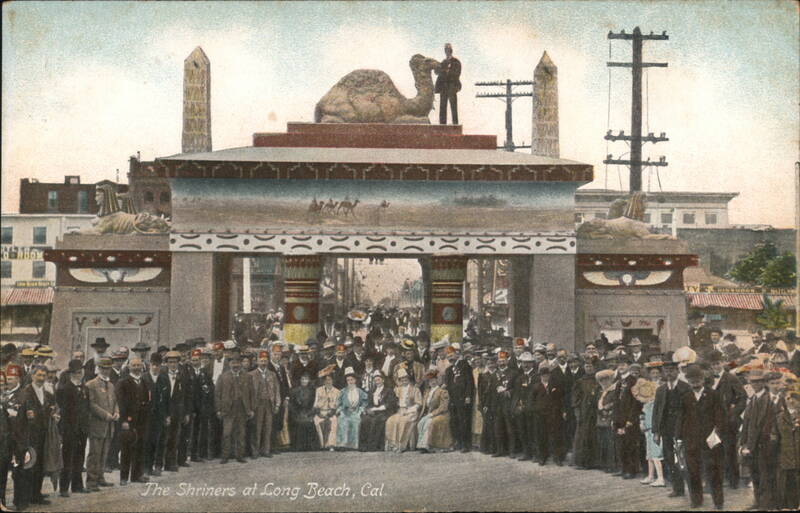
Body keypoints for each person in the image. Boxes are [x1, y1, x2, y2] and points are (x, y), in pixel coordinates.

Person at [675, 364, 725, 509]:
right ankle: (696, 500)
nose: (695, 382)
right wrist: (678, 438)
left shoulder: (713, 395)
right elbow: (680, 418)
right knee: (693, 472)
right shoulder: (685, 396)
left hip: (710, 441)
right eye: (691, 379)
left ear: (703, 379)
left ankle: (718, 502)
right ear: (688, 381)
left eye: (697, 379)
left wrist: (717, 434)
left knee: (714, 472)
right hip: (690, 441)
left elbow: (721, 417)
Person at [707, 349, 746, 489]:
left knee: (729, 450)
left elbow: (743, 398)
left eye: (717, 363)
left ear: (723, 363)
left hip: (728, 421)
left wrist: (733, 414)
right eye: (713, 365)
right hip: (712, 421)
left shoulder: (731, 378)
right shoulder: (708, 379)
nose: (715, 367)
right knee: (714, 450)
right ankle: (718, 479)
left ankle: (733, 481)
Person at [740, 368, 777, 510]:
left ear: (764, 382)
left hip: (763, 444)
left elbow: (767, 425)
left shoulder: (768, 399)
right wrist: (743, 443)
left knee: (765, 475)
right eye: (752, 382)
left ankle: (765, 503)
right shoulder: (753, 399)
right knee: (754, 474)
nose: (755, 384)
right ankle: (757, 501)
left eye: (758, 381)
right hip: (751, 444)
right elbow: (746, 423)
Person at [652, 360, 690, 497]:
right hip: (666, 429)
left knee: (684, 459)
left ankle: (692, 488)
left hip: (683, 429)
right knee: (670, 458)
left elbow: (690, 411)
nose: (669, 373)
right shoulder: (660, 390)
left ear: (677, 371)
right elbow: (656, 411)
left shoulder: (685, 387)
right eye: (666, 371)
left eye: (672, 370)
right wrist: (656, 432)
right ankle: (677, 488)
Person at [56, 359, 89, 497]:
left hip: (82, 428)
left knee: (79, 458)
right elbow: (63, 411)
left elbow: (86, 408)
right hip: (70, 429)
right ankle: (64, 488)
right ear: (71, 373)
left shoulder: (85, 388)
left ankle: (77, 485)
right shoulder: (65, 389)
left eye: (81, 371)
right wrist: (63, 430)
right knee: (67, 458)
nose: (79, 374)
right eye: (76, 372)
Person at [115, 357, 150, 486]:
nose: (136, 367)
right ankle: (123, 477)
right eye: (134, 365)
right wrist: (124, 420)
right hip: (128, 421)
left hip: (141, 421)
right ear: (129, 367)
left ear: (142, 367)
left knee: (140, 447)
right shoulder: (123, 382)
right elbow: (120, 402)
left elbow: (147, 400)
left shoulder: (144, 382)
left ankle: (137, 475)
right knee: (126, 449)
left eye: (138, 365)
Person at [85, 357, 118, 492]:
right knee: (95, 453)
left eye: (108, 368)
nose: (106, 371)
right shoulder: (91, 384)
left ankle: (100, 477)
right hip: (97, 424)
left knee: (104, 453)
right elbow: (91, 404)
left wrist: (116, 412)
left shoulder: (111, 385)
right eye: (103, 368)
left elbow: (115, 401)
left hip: (109, 425)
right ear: (98, 368)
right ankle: (91, 481)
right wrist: (105, 415)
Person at [215, 353, 254, 464]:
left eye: (237, 363)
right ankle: (225, 456)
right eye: (233, 363)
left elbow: (252, 394)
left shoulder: (247, 376)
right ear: (229, 364)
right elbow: (217, 394)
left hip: (242, 409)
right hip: (228, 410)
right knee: (227, 433)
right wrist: (218, 409)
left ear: (241, 364)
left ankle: (240, 455)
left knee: (241, 433)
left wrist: (251, 409)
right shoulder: (223, 377)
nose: (235, 365)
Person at [155, 351, 188, 472]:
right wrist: (164, 415)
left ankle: (170, 463)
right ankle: (158, 464)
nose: (173, 365)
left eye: (175, 362)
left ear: (178, 363)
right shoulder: (161, 376)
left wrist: (186, 413)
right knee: (162, 438)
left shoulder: (183, 375)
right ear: (166, 363)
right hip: (165, 411)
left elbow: (187, 395)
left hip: (178, 412)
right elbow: (159, 397)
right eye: (170, 362)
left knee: (174, 438)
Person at [633, 377, 665, 487]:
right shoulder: (646, 405)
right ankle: (651, 476)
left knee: (656, 455)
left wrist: (645, 424)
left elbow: (652, 419)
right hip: (648, 431)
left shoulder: (652, 405)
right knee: (650, 455)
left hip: (653, 431)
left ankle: (661, 477)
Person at [249, 351, 280, 458]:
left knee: (268, 428)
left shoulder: (272, 374)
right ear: (257, 361)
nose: (263, 363)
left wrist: (277, 404)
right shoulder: (251, 375)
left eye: (265, 361)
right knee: (257, 429)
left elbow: (277, 390)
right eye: (261, 361)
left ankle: (266, 450)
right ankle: (255, 451)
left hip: (269, 403)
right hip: (257, 404)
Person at [532, 365, 565, 466]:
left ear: (549, 375)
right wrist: (536, 410)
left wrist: (561, 410)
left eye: (547, 375)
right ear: (540, 376)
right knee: (541, 436)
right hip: (540, 415)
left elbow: (560, 399)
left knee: (555, 436)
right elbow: (532, 400)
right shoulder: (536, 386)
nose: (545, 377)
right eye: (543, 375)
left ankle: (557, 457)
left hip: (553, 414)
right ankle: (542, 457)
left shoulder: (555, 385)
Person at [385, 368, 422, 453]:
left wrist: (408, 410)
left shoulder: (415, 389)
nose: (404, 380)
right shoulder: (397, 389)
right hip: (400, 411)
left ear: (408, 379)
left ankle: (401, 445)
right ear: (399, 380)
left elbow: (418, 403)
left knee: (403, 421)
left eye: (405, 378)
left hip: (411, 412)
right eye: (402, 379)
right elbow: (395, 401)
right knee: (391, 420)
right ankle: (392, 444)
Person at [444, 345, 474, 453]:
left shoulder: (465, 366)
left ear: (457, 355)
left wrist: (468, 396)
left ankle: (466, 444)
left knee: (464, 421)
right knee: (454, 421)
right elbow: (447, 385)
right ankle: (458, 442)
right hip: (453, 399)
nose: (450, 358)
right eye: (448, 356)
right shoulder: (448, 370)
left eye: (452, 355)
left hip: (463, 398)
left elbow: (469, 382)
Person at [572, 358, 600, 469]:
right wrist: (577, 412)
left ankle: (596, 462)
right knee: (583, 436)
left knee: (595, 435)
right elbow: (575, 399)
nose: (589, 368)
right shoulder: (580, 381)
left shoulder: (598, 380)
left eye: (591, 366)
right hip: (584, 413)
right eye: (587, 366)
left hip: (596, 412)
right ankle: (583, 462)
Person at [359, 371, 397, 451]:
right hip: (374, 411)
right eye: (375, 380)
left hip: (385, 411)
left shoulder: (388, 390)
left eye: (378, 380)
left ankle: (374, 446)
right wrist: (368, 410)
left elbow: (390, 404)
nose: (377, 382)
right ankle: (364, 445)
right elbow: (369, 404)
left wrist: (377, 409)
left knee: (376, 420)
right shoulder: (372, 391)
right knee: (365, 420)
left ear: (383, 380)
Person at [416, 369, 453, 453]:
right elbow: (425, 406)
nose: (432, 382)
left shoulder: (443, 391)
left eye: (434, 380)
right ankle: (422, 445)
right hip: (430, 414)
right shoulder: (427, 392)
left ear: (437, 381)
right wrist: (423, 414)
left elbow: (443, 407)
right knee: (421, 422)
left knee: (430, 423)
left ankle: (428, 445)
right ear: (428, 382)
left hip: (442, 415)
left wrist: (431, 414)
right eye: (430, 381)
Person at [775, 387, 800, 510]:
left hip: (798, 454)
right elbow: (775, 435)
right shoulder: (779, 417)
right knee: (786, 482)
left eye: (794, 398)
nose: (791, 401)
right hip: (785, 454)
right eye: (788, 398)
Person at [511, 351, 538, 462]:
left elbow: (536, 394)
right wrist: (516, 406)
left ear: (532, 363)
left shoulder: (536, 376)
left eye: (528, 363)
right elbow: (517, 394)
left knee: (534, 432)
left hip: (533, 408)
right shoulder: (519, 378)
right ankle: (526, 453)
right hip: (522, 409)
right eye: (523, 363)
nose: (525, 365)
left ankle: (536, 454)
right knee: (523, 431)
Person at [491, 351, 518, 458]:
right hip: (497, 405)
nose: (501, 362)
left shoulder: (513, 373)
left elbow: (516, 389)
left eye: (503, 360)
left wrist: (508, 392)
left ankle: (511, 451)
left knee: (510, 428)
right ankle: (500, 450)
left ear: (507, 360)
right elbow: (492, 391)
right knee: (498, 428)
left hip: (508, 404)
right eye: (499, 360)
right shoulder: (494, 375)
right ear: (497, 362)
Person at [189, 348, 214, 463]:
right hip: (191, 408)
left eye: (197, 359)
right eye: (193, 360)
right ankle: (191, 454)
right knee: (191, 432)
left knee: (202, 430)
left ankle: (200, 453)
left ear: (200, 360)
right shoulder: (187, 372)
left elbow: (209, 388)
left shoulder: (205, 372)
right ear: (190, 361)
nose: (195, 362)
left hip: (203, 407)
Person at [142, 353, 163, 476]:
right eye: (153, 365)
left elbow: (166, 398)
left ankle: (158, 465)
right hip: (147, 415)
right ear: (150, 365)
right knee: (147, 441)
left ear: (161, 366)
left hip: (159, 415)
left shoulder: (163, 378)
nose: (155, 368)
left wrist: (166, 415)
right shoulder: (144, 378)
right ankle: (146, 467)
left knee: (158, 440)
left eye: (158, 365)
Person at [336, 368, 367, 450]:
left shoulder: (360, 391)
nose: (350, 381)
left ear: (355, 380)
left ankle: (354, 445)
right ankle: (343, 444)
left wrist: (361, 409)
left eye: (352, 379)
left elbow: (364, 402)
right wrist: (342, 409)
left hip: (356, 412)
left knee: (356, 421)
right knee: (343, 420)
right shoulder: (343, 391)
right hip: (345, 412)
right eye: (348, 380)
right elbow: (338, 403)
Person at [288, 373, 319, 452]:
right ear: (300, 380)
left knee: (308, 422)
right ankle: (299, 446)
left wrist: (310, 413)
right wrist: (297, 414)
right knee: (300, 422)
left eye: (306, 379)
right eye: (302, 379)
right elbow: (291, 405)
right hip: (298, 413)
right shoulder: (294, 391)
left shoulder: (313, 391)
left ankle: (310, 446)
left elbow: (315, 404)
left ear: (308, 381)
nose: (304, 381)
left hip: (309, 413)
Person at [434, 42, 460, 126]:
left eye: (448, 50)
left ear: (451, 51)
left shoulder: (456, 62)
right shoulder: (443, 62)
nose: (447, 51)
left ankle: (455, 125)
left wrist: (446, 72)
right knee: (442, 107)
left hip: (452, 87)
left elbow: (457, 73)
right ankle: (442, 126)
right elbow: (437, 72)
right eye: (446, 50)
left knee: (453, 107)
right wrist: (440, 69)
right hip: (444, 88)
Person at [313, 368, 340, 451]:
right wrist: (318, 412)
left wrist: (330, 413)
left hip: (331, 412)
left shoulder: (337, 391)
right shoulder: (319, 390)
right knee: (317, 421)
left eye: (329, 379)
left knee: (334, 422)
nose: (328, 381)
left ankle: (331, 445)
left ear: (333, 381)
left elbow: (337, 405)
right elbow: (315, 403)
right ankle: (322, 445)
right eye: (326, 380)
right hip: (320, 412)